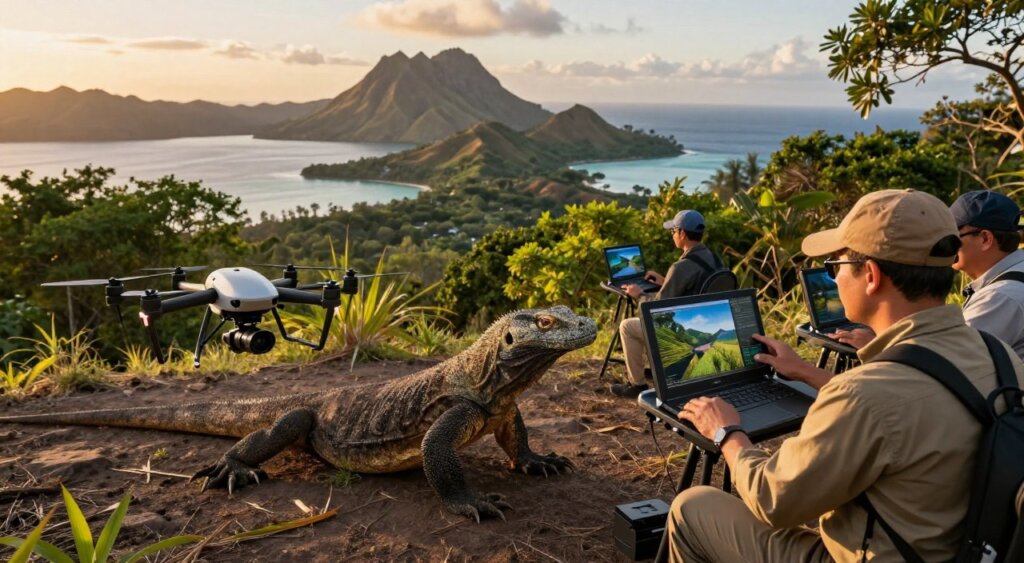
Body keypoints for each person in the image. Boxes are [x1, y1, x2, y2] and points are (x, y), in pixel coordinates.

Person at [669, 189, 1024, 562]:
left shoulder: (865, 394)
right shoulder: (998, 354)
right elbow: (912, 403)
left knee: (693, 507)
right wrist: (806, 372)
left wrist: (727, 432)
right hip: (960, 547)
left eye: (835, 267)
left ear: (870, 275)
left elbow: (773, 499)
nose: (835, 279)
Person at [828, 190, 1024, 361]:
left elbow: (945, 365)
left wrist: (879, 345)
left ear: (985, 239)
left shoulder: (999, 298)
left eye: (952, 238)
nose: (941, 244)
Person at [610, 209, 724, 398]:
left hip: (684, 328)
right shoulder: (714, 258)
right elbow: (697, 288)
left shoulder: (681, 267)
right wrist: (665, 282)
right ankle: (657, 369)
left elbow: (657, 309)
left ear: (682, 233)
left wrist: (638, 294)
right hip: (708, 323)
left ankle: (636, 385)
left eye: (673, 231)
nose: (672, 235)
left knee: (627, 326)